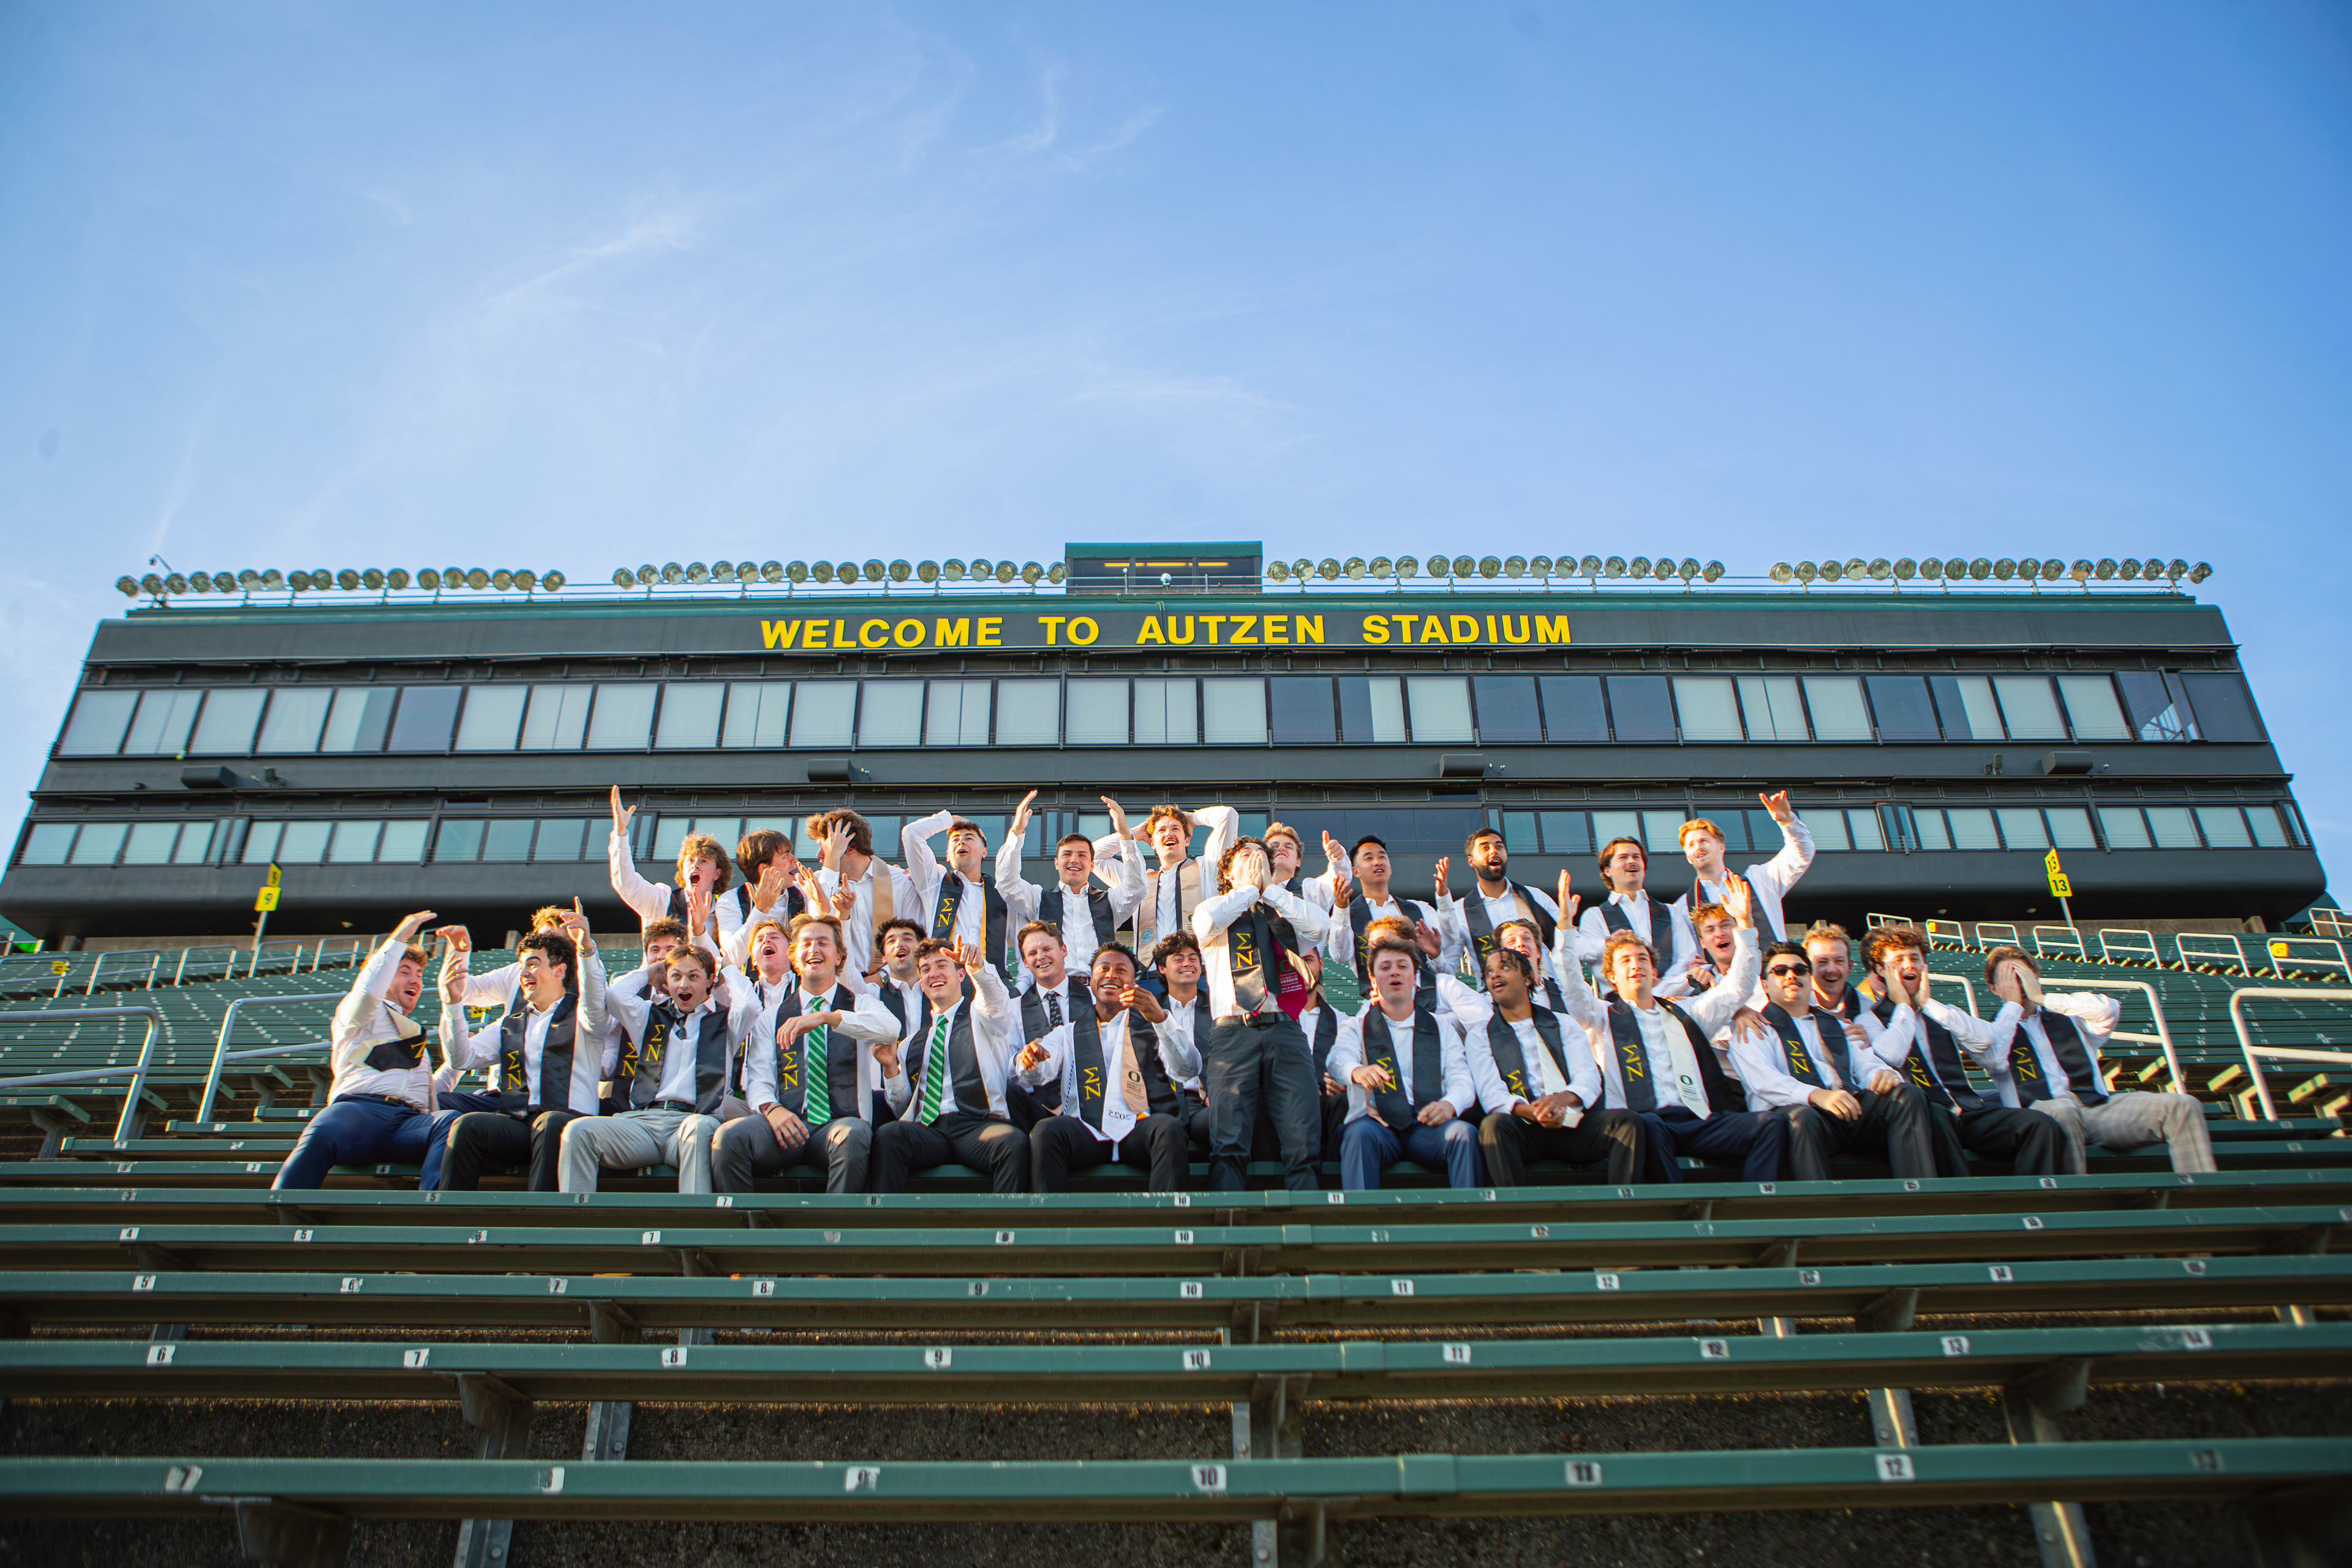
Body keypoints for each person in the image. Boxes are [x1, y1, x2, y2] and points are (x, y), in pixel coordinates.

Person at [1551, 873, 1784, 1184]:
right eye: (1625, 961)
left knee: (1769, 1125)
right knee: (1647, 1126)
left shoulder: (1688, 1012)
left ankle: (1751, 1205)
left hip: (1696, 1120)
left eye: (1642, 959)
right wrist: (1565, 926)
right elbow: (1571, 985)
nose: (1636, 965)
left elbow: (1738, 987)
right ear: (1611, 976)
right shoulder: (1599, 1015)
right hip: (1645, 1125)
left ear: (1654, 970)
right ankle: (1680, 1209)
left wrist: (1744, 925)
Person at [1973, 946, 2215, 1175]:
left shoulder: (2070, 1015)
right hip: (2042, 1117)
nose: (2019, 984)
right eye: (2009, 978)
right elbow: (1993, 1059)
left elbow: (2109, 1010)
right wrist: (2013, 1007)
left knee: (2182, 1106)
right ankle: (2076, 1198)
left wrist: (2042, 998)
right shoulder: (1991, 1030)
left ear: (2036, 977)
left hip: (2095, 1109)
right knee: (2063, 1109)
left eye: (2024, 975)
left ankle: (2203, 1194)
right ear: (1994, 988)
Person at [712, 913, 902, 1194]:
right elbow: (759, 1080)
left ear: (838, 957)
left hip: (838, 1126)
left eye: (823, 943)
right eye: (806, 943)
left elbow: (891, 1029)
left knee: (854, 1134)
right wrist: (772, 1109)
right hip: (786, 1125)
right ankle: (747, 1221)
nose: (814, 949)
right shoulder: (772, 1016)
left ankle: (834, 1221)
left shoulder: (860, 1004)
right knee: (729, 1138)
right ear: (795, 957)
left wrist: (827, 1017)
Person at [1857, 926, 2064, 1177]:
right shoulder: (1869, 1020)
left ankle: (2035, 1199)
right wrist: (1904, 1007)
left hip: (1967, 1111)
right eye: (1899, 960)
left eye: (1915, 958)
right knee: (1939, 1116)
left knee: (2039, 1124)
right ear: (1881, 970)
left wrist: (1928, 1005)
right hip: (1926, 1119)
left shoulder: (1941, 1011)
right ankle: (1964, 1199)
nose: (1909, 965)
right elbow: (1892, 1055)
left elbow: (1987, 1041)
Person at [272, 911, 456, 1191]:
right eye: (404, 972)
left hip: (408, 1123)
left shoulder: (414, 1033)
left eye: (419, 975)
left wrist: (455, 1065)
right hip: (360, 1112)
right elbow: (369, 991)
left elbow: (425, 1091)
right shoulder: (359, 1013)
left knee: (451, 1123)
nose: (415, 980)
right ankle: (282, 1204)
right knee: (325, 1128)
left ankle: (431, 1206)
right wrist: (399, 938)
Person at [1192, 835, 1335, 1192]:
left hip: (1285, 1029)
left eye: (1262, 856)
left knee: (1303, 1137)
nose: (1256, 859)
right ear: (1228, 872)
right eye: (1246, 855)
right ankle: (1228, 1218)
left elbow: (1320, 928)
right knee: (1228, 1140)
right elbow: (1208, 924)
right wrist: (1248, 890)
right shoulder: (1214, 907)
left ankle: (1306, 1215)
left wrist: (1269, 891)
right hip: (1233, 1032)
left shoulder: (1283, 913)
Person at [1733, 940, 1938, 1182]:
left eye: (1800, 970)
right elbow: (1763, 1081)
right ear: (1765, 984)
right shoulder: (1753, 1028)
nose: (1791, 975)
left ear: (1810, 978)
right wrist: (1817, 1095)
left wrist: (1884, 1075)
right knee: (1802, 1118)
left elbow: (1867, 1065)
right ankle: (1819, 1202)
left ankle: (1918, 1191)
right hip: (1799, 1117)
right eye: (1780, 971)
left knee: (1907, 1094)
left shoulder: (1837, 1026)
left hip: (1848, 1109)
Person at [561, 940, 745, 1194]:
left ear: (710, 980)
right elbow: (615, 996)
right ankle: (576, 1218)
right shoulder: (650, 1014)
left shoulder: (728, 1020)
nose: (684, 984)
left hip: (693, 1121)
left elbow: (749, 1006)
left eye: (693, 977)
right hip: (643, 1123)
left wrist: (728, 971)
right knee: (578, 1131)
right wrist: (650, 972)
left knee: (699, 1127)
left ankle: (694, 1217)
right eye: (676, 976)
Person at [437, 923, 608, 1191]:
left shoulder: (586, 1018)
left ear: (559, 970)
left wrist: (586, 948)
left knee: (550, 1122)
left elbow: (595, 991)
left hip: (571, 1124)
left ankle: (541, 1214)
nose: (524, 973)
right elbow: (462, 1059)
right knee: (468, 1126)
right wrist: (453, 1005)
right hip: (519, 1121)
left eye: (533, 964)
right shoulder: (511, 1023)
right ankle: (450, 1212)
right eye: (522, 966)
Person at [1457, 945, 1644, 1187]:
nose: (1495, 975)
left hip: (1573, 1124)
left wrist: (1560, 1101)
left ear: (1528, 978)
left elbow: (1588, 1076)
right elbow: (1492, 1094)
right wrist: (1536, 1113)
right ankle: (1517, 1208)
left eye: (1504, 967)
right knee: (1494, 1126)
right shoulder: (1481, 1035)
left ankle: (1624, 1204)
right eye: (1489, 972)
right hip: (1525, 1130)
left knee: (1627, 1122)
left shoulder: (1563, 1023)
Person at [1017, 943, 1191, 1193]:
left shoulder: (1155, 1027)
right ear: (1091, 980)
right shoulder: (1068, 1033)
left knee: (1170, 1129)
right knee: (1046, 1131)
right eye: (1104, 969)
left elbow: (1187, 1068)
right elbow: (1040, 1071)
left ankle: (1165, 1216)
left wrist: (1162, 1022)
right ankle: (1051, 1217)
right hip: (1086, 1132)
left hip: (1139, 1128)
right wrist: (1032, 1061)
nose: (1111, 975)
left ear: (1134, 983)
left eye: (1121, 970)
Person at [871, 938, 1035, 1194]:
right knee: (889, 1135)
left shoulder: (983, 1018)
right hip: (929, 1132)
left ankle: (1003, 1220)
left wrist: (978, 967)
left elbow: (995, 1000)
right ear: (922, 983)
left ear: (961, 975)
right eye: (926, 969)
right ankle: (885, 1219)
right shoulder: (910, 1044)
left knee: (1012, 1143)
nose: (933, 973)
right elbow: (903, 1107)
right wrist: (891, 1068)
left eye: (941, 965)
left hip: (977, 1127)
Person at [1326, 937, 1483, 1189]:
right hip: (1378, 1126)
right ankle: (1361, 1214)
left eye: (1402, 966)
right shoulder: (1357, 1026)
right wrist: (1356, 1071)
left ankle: (1469, 1213)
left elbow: (1462, 1079)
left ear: (1415, 977)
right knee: (1358, 1135)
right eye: (1385, 967)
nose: (1394, 972)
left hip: (1427, 1126)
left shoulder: (1441, 1027)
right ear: (1373, 980)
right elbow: (1337, 1059)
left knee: (1463, 1134)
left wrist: (1449, 1105)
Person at [998, 791, 1145, 984]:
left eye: (1082, 855)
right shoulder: (1038, 898)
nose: (1074, 860)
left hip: (1099, 990)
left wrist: (1126, 836)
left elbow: (1137, 888)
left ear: (1092, 865)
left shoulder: (1110, 901)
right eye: (1067, 854)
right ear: (1057, 863)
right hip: (1054, 990)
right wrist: (1017, 832)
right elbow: (1007, 884)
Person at [606, 786, 742, 949]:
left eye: (704, 861)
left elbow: (729, 958)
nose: (695, 865)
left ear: (717, 874)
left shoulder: (727, 910)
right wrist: (620, 833)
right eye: (690, 860)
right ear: (682, 870)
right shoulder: (661, 901)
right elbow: (626, 883)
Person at [1673, 791, 1814, 945]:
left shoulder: (1761, 880)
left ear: (1721, 848)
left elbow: (1801, 855)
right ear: (1688, 858)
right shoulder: (1682, 908)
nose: (1698, 847)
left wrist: (1788, 821)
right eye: (1691, 845)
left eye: (1704, 841)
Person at [1325, 834, 1454, 1001]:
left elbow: (1450, 939)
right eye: (1369, 858)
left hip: (1427, 1002)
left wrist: (1443, 898)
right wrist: (1341, 909)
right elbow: (1339, 955)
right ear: (1355, 871)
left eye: (1382, 857)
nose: (1377, 862)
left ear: (1390, 867)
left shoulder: (1419, 909)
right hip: (1380, 1003)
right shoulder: (1347, 915)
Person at [1574, 836, 1699, 1000]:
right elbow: (1599, 967)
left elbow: (1687, 958)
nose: (1632, 861)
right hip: (1621, 1006)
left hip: (1673, 1002)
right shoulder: (1595, 915)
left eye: (1636, 857)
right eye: (1623, 857)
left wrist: (1663, 988)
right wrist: (1608, 943)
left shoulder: (1671, 912)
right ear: (1608, 870)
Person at [809, 809, 922, 978]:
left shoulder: (901, 881)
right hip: (837, 981)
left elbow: (917, 940)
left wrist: (882, 977)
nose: (819, 855)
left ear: (849, 849)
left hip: (891, 982)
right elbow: (819, 927)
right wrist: (832, 861)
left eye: (825, 847)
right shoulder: (821, 881)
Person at [903, 812, 1012, 981]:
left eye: (969, 838)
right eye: (955, 840)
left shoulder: (1002, 894)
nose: (962, 842)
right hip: (945, 980)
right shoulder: (935, 882)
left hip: (991, 982)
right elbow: (912, 834)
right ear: (948, 855)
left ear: (984, 852)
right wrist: (954, 819)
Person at [1440, 826, 1564, 973]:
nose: (1494, 851)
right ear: (1471, 860)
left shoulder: (1535, 896)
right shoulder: (1460, 910)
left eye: (1499, 847)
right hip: (1493, 987)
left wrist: (1567, 918)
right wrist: (1434, 955)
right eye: (1485, 848)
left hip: (1545, 985)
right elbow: (1448, 968)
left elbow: (1568, 943)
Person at [1126, 802, 1240, 959]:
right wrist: (1134, 834)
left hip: (1197, 968)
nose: (1169, 833)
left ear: (1187, 840)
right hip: (1149, 970)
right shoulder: (1140, 881)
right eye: (1162, 830)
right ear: (1152, 843)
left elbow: (1227, 816)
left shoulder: (1207, 868)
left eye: (1175, 829)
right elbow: (1096, 858)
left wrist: (1192, 818)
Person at [1006, 921, 1088, 1130]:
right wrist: (1022, 1059)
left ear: (1064, 950)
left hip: (1090, 1100)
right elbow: (1005, 1066)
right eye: (1032, 953)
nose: (1040, 957)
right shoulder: (1013, 1009)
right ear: (1024, 962)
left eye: (1047, 949)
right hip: (1037, 1107)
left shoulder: (1095, 1000)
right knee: (1008, 1093)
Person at [1152, 931, 1216, 1154]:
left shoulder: (1219, 1009)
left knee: (1230, 1118)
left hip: (1205, 1102)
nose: (1187, 964)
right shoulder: (1149, 1012)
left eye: (1193, 958)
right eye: (1178, 959)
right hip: (1163, 1102)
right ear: (1162, 968)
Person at [1803, 921, 1871, 1022]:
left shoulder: (1866, 1007)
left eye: (1839, 961)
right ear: (1808, 967)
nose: (1832, 969)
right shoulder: (1792, 1004)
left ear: (1850, 966)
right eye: (1822, 962)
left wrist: (1865, 1032)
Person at [1682, 902, 1742, 996]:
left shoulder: (1762, 971)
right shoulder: (1697, 986)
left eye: (1725, 925)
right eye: (1710, 930)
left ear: (1739, 929)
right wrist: (1687, 981)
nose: (1719, 934)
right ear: (1703, 942)